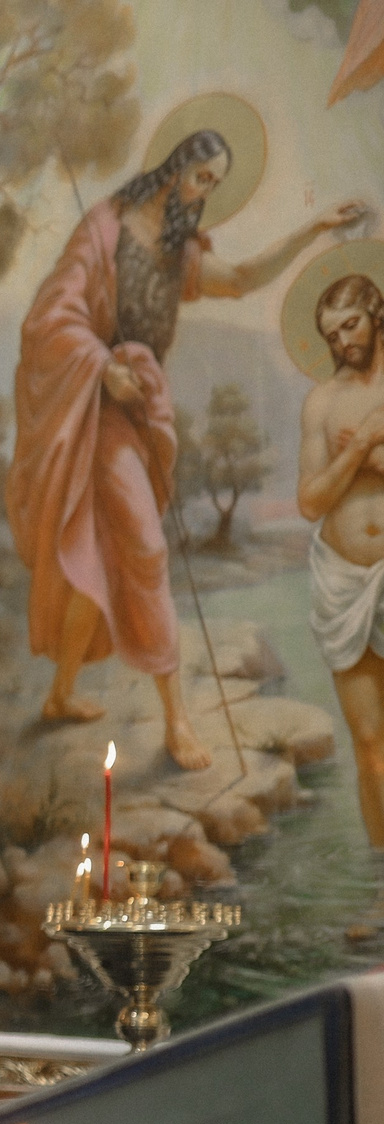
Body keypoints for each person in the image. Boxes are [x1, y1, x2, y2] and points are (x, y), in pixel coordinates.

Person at [8, 129, 365, 767]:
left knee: (101, 545)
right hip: (94, 406)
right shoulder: (106, 227)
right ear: (175, 169)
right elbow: (50, 315)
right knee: (144, 548)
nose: (204, 192)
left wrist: (311, 230)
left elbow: (243, 277)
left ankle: (61, 693)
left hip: (138, 404)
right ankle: (177, 721)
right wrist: (98, 364)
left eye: (214, 184)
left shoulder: (177, 251)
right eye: (201, 177)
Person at [298, 271, 384, 937]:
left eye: (351, 326)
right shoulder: (322, 404)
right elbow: (309, 501)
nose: (343, 341)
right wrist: (358, 454)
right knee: (368, 746)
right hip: (342, 581)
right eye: (332, 334)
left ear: (375, 314)